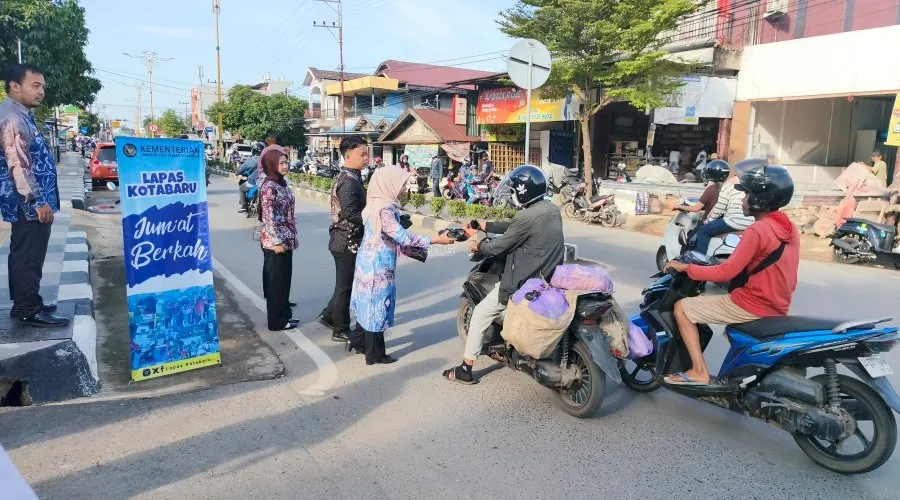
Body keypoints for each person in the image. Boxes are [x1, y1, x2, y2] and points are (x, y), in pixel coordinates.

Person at [664, 160, 799, 385]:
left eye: (746, 195)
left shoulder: (757, 230)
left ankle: (699, 371)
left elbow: (725, 273)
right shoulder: (789, 228)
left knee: (683, 308)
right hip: (779, 303)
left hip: (752, 304)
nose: (743, 200)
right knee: (729, 329)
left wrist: (687, 268)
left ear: (759, 199)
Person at [442, 165, 565, 384]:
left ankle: (465, 368)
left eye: (514, 189)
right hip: (548, 276)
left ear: (522, 190)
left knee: (480, 313)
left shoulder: (527, 216)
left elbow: (498, 247)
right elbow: (515, 227)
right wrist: (485, 224)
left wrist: (478, 247)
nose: (512, 194)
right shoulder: (549, 209)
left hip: (525, 281)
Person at [349, 165, 456, 364]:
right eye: (402, 184)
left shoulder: (374, 204)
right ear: (389, 184)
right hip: (378, 265)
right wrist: (435, 240)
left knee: (367, 303)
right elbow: (403, 238)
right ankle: (375, 355)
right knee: (377, 307)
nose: (405, 188)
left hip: (367, 261)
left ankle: (358, 342)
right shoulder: (384, 210)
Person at [0, 64, 67, 327]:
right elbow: (19, 164)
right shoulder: (13, 119)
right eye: (35, 85)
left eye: (42, 86)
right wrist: (38, 202)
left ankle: (26, 302)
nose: (41, 92)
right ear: (15, 86)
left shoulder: (20, 114)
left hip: (27, 202)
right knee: (28, 253)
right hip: (27, 203)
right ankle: (28, 307)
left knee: (25, 251)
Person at [318, 136, 369, 343]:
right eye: (362, 154)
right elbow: (350, 213)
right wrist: (374, 220)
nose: (367, 158)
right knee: (345, 287)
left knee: (344, 284)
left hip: (348, 240)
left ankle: (329, 315)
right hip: (346, 241)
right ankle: (339, 329)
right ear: (348, 156)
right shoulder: (348, 181)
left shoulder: (353, 177)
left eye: (367, 153)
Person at [258, 145, 299, 331]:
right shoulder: (269, 187)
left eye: (286, 162)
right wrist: (277, 241)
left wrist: (291, 237)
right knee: (276, 284)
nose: (285, 165)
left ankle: (285, 316)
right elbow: (268, 217)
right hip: (275, 243)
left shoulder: (281, 183)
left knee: (285, 281)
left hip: (286, 239)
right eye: (281, 163)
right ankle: (276, 322)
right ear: (272, 164)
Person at [693, 162, 754, 254]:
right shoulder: (747, 182)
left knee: (702, 231)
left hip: (734, 222)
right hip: (752, 222)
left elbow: (719, 209)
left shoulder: (728, 185)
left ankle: (699, 259)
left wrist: (708, 221)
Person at [237, 142, 264, 213]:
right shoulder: (267, 160)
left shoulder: (250, 160)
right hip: (265, 182)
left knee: (241, 188)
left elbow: (240, 170)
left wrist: (238, 173)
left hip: (253, 182)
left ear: (253, 151)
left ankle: (244, 206)